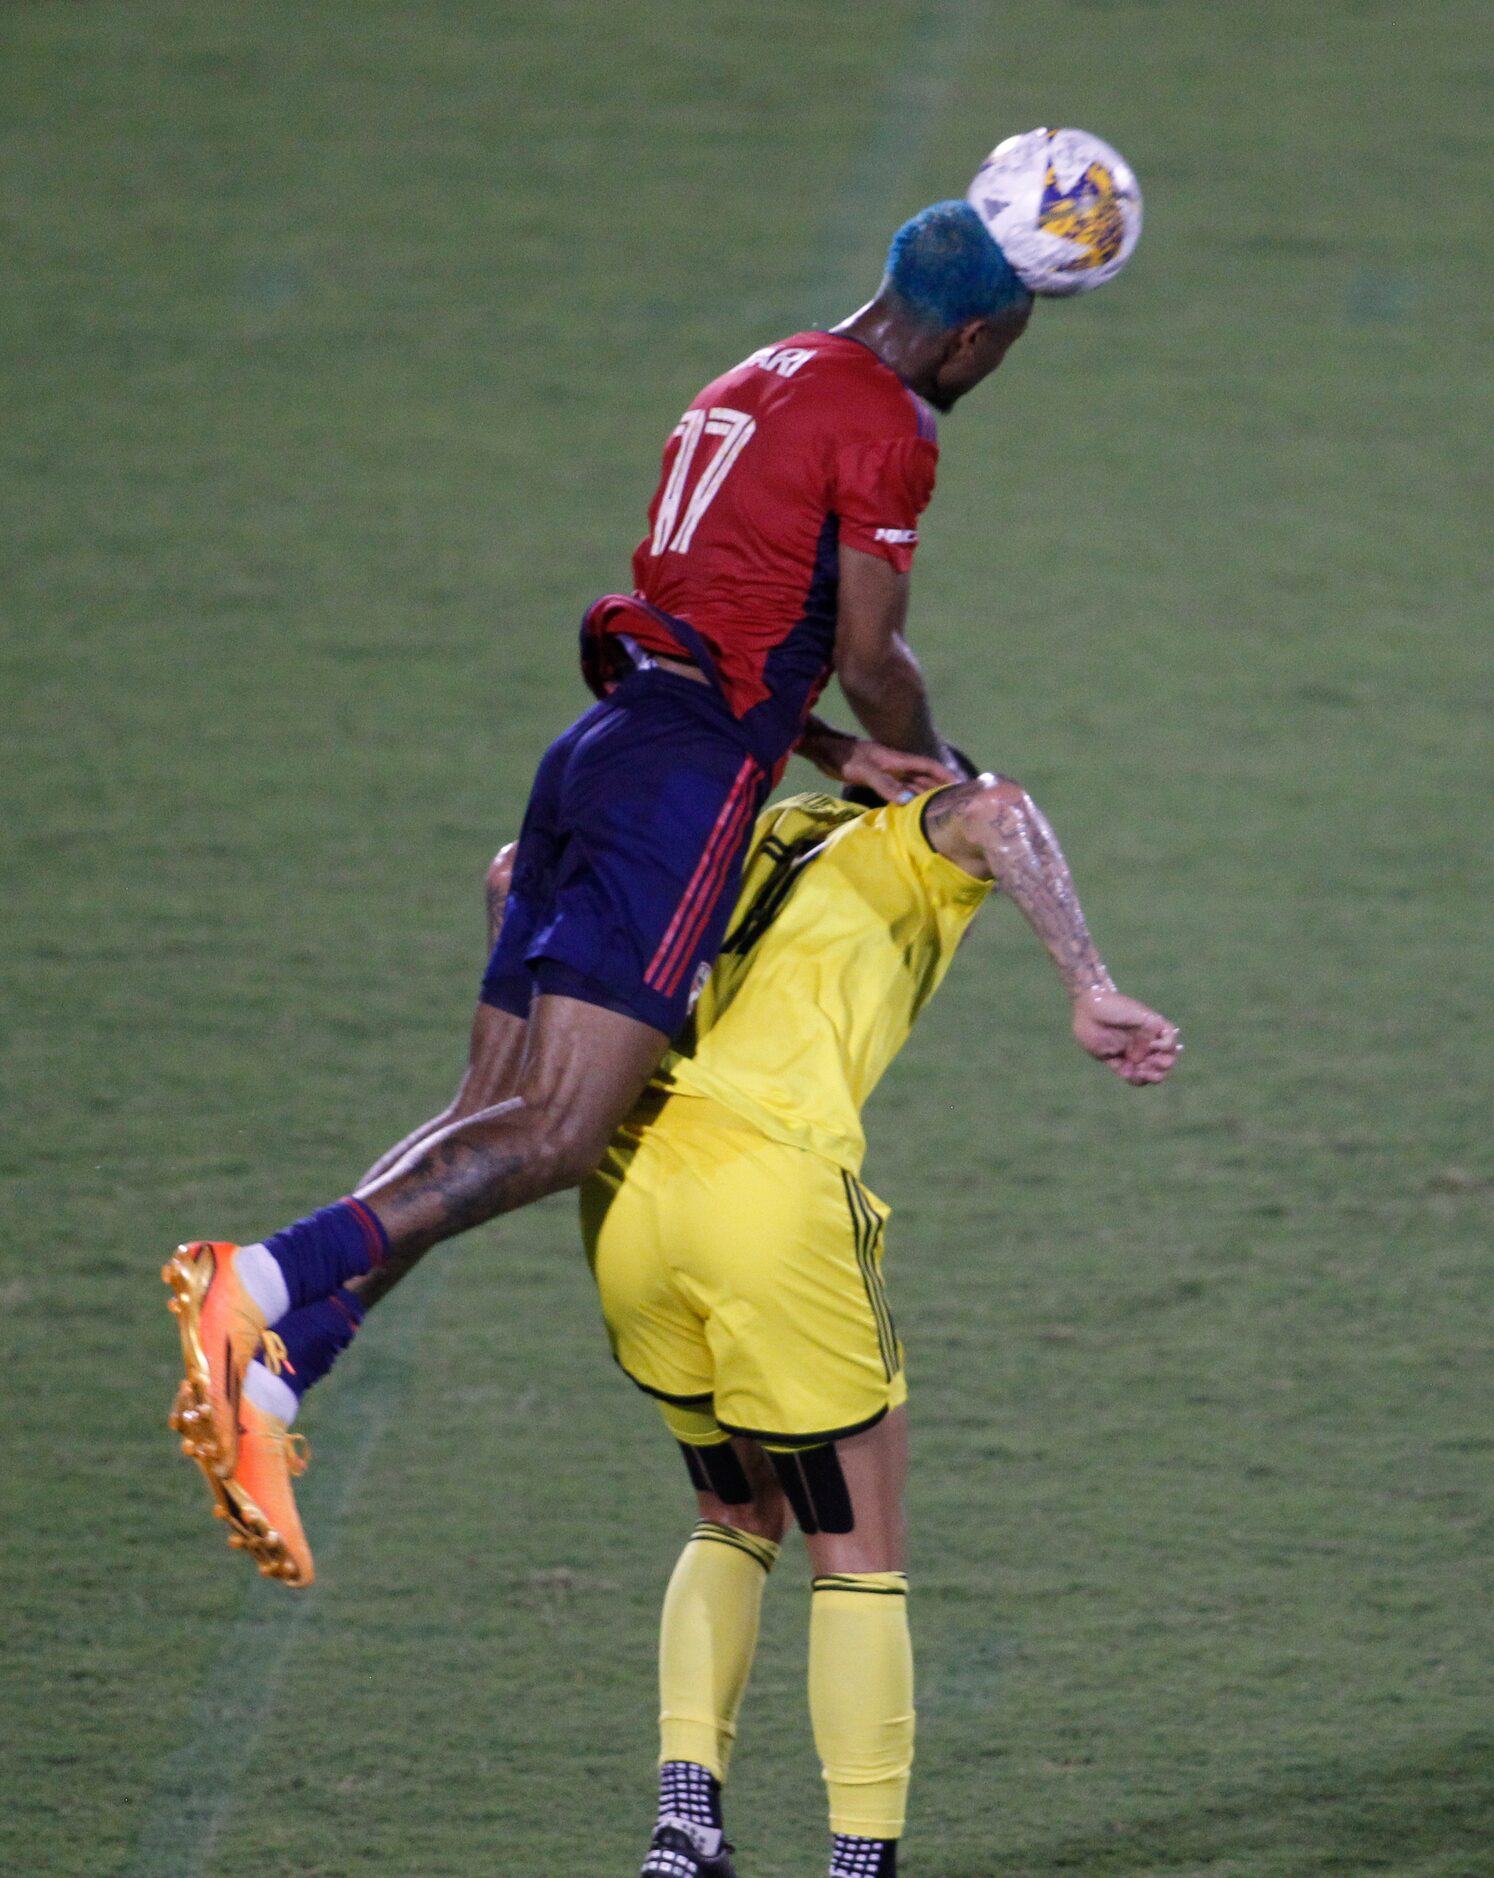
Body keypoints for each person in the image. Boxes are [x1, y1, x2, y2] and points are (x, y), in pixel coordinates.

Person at [165, 196, 1044, 1499]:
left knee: (491, 1111)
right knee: (564, 1131)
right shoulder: (888, 428)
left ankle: (290, 1357)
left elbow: (721, 624)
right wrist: (937, 765)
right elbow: (870, 652)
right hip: (677, 790)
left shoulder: (759, 374)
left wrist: (827, 753)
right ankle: (259, 1278)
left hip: (603, 741)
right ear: (969, 341)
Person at [180, 766, 1180, 1878]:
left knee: (734, 1512)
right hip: (770, 1212)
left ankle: (684, 1826)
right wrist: (1088, 982)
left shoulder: (698, 852)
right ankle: (861, 1863)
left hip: (630, 1210)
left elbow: (515, 879)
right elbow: (1000, 810)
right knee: (858, 1554)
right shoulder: (907, 844)